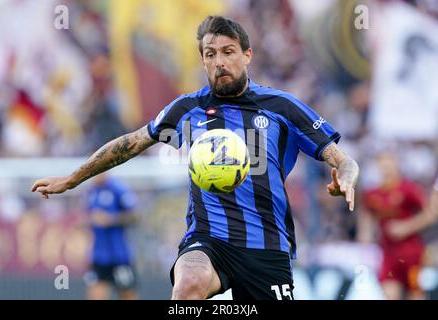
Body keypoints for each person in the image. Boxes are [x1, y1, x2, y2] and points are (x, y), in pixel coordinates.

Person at [31, 16, 359, 300]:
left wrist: (344, 175)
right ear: (203, 61)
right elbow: (130, 145)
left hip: (267, 245)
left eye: (228, 52)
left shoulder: (281, 107)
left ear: (247, 55)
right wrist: (74, 177)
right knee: (188, 285)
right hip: (208, 239)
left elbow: (343, 159)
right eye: (210, 54)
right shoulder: (188, 109)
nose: (219, 62)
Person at [358, 152, 436, 300]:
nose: (386, 170)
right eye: (382, 166)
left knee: (416, 293)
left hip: (412, 252)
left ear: (396, 166)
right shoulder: (372, 194)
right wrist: (365, 234)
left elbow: (430, 214)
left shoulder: (408, 189)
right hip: (388, 253)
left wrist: (406, 227)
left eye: (389, 166)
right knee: (389, 293)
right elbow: (366, 216)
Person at [82, 173, 140, 300]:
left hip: (119, 256)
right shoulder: (90, 192)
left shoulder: (119, 189)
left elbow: (135, 216)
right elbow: (86, 217)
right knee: (95, 295)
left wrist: (111, 219)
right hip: (98, 256)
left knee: (127, 294)